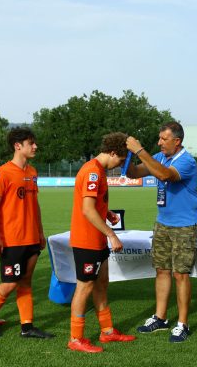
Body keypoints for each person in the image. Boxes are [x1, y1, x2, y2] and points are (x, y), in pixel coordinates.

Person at [126, 121, 197, 343]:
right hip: (163, 222)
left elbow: (165, 176)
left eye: (164, 139)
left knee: (181, 274)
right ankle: (160, 317)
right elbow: (133, 174)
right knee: (161, 270)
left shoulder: (187, 160)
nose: (159, 143)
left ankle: (182, 324)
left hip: (185, 225)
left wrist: (140, 150)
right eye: (159, 139)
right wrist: (128, 154)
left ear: (177, 141)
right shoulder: (160, 157)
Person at [67, 132, 136, 353]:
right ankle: (75, 338)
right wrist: (112, 234)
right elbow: (87, 209)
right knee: (84, 286)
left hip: (96, 240)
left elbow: (95, 205)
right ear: (113, 153)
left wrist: (107, 214)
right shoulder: (92, 172)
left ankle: (107, 332)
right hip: (87, 240)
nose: (121, 165)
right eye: (121, 160)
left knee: (101, 284)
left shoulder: (98, 171)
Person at [0, 127, 53, 339]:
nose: (35, 146)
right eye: (30, 143)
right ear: (17, 145)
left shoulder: (32, 172)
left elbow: (35, 205)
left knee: (25, 282)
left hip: (31, 237)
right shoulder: (2, 173)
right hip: (11, 239)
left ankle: (27, 326)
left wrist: (40, 232)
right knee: (10, 283)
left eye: (34, 142)